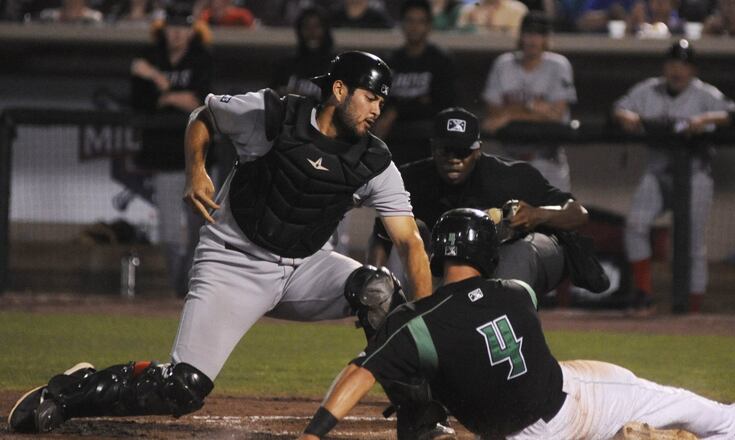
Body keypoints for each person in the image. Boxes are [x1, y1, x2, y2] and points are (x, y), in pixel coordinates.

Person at [7, 51, 433, 434]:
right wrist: (196, 168)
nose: (378, 109)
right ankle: (71, 392)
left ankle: (420, 416)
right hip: (235, 260)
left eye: (382, 100)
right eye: (371, 97)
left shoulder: (374, 160)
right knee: (182, 388)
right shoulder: (274, 114)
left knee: (379, 292)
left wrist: (430, 326)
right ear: (339, 90)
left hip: (306, 266)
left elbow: (410, 243)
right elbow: (203, 117)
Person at [298, 208, 735, 440]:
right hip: (563, 414)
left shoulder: (416, 321)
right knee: (653, 394)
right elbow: (533, 266)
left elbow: (360, 372)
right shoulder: (515, 293)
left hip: (509, 432)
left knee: (605, 374)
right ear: (484, 252)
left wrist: (315, 433)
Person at [369, 107, 595, 302]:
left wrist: (538, 214)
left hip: (526, 255)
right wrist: (376, 276)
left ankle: (513, 328)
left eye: (462, 151)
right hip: (463, 263)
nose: (454, 158)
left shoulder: (510, 177)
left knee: (516, 255)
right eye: (445, 150)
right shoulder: (412, 180)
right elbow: (382, 232)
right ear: (433, 148)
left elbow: (578, 213)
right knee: (405, 262)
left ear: (477, 151)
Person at [613, 39, 735, 315]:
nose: (677, 70)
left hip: (695, 174)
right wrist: (627, 117)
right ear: (664, 66)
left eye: (683, 64)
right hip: (658, 172)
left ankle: (691, 311)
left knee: (692, 243)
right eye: (672, 63)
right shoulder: (648, 90)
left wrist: (706, 119)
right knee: (635, 224)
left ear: (693, 69)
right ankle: (644, 294)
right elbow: (617, 110)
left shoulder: (704, 94)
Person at [129, 1, 213, 297]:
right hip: (163, 155)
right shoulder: (152, 57)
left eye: (183, 29)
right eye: (172, 29)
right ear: (164, 31)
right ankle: (179, 287)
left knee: (199, 231)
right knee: (167, 233)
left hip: (198, 159)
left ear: (192, 31)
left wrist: (165, 91)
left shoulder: (202, 58)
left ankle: (191, 286)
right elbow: (140, 102)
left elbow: (199, 101)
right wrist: (157, 80)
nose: (177, 34)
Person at [481, 12, 577, 193]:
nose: (533, 39)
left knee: (554, 219)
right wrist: (537, 109)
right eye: (529, 33)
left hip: (548, 160)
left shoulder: (559, 66)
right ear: (520, 36)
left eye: (539, 34)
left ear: (546, 38)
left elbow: (557, 115)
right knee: (507, 219)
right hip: (509, 159)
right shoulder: (503, 64)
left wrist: (511, 113)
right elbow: (493, 116)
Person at [373, 0, 458, 166]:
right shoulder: (391, 61)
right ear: (402, 24)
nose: (415, 27)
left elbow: (444, 105)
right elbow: (381, 103)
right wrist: (418, 101)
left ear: (429, 26)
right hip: (393, 136)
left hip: (427, 138)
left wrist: (397, 110)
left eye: (421, 22)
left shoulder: (442, 60)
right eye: (410, 21)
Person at [273, 6, 335, 101]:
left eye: (317, 26)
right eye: (306, 27)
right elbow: (272, 96)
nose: (312, 32)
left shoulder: (337, 65)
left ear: (325, 30)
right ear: (299, 31)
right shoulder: (286, 65)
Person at [455, 0, 528, 35]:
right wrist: (470, 26)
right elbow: (457, 34)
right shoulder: (468, 10)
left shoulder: (517, 9)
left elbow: (518, 36)